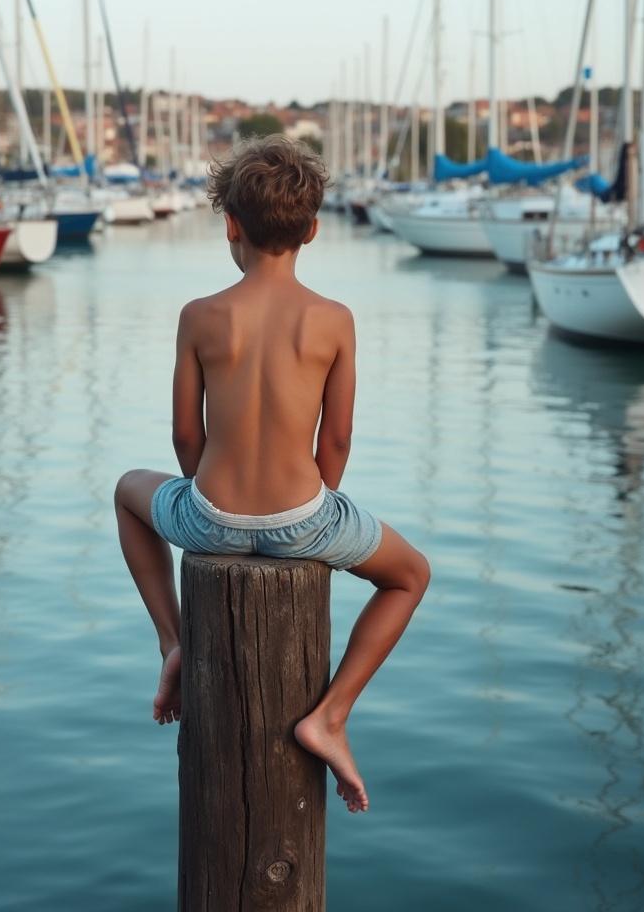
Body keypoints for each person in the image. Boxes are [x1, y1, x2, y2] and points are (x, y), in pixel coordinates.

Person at [115, 135, 430, 814]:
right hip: (305, 520)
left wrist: (205, 497)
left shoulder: (200, 315)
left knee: (126, 491)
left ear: (230, 224)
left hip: (208, 516)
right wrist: (316, 511)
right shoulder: (333, 319)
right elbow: (337, 438)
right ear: (313, 229)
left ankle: (173, 642)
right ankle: (331, 715)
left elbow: (183, 433)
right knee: (411, 576)